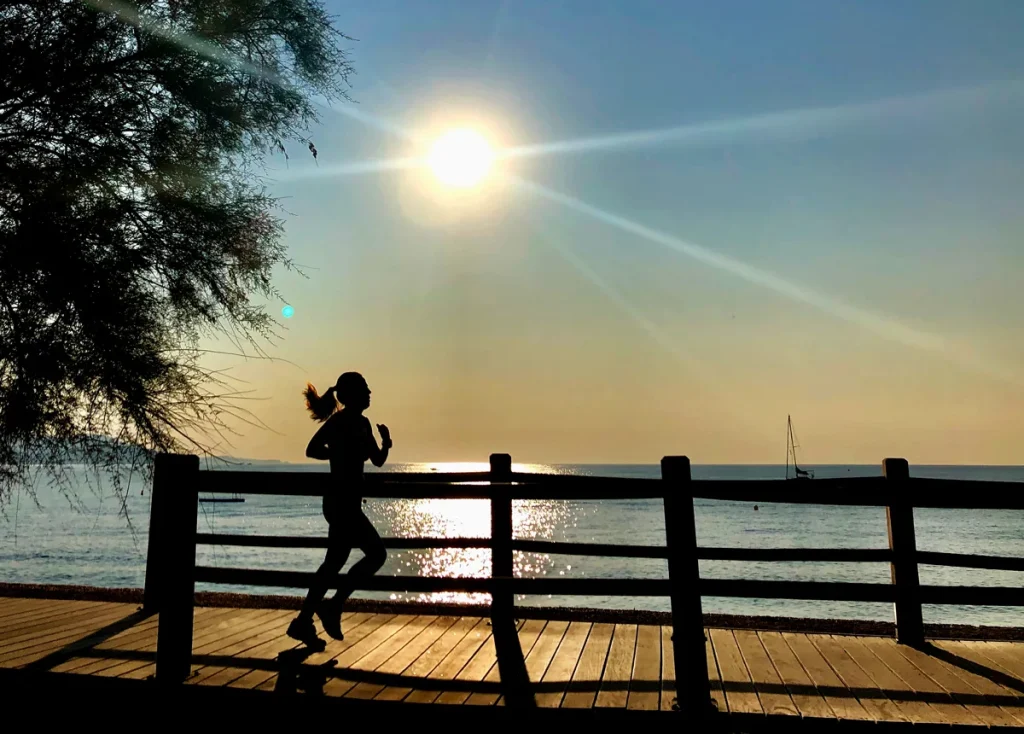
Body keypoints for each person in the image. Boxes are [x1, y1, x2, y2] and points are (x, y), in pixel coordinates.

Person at [286, 372, 391, 648]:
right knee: (376, 554)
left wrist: (386, 443)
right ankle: (332, 606)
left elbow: (377, 460)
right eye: (365, 390)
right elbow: (312, 449)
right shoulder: (339, 422)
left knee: (333, 563)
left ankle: (304, 622)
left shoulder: (364, 424)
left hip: (346, 503)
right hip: (340, 502)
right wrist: (340, 454)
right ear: (352, 395)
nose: (370, 393)